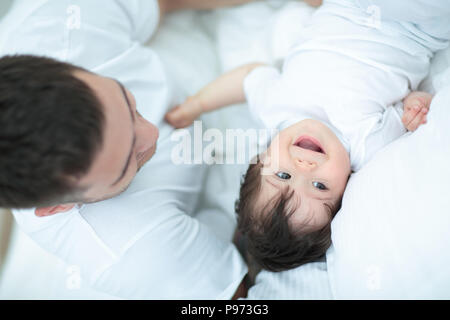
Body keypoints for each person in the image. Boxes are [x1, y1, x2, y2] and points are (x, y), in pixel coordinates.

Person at [165, 0, 447, 272]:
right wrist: (417, 106)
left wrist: (198, 104)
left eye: (283, 176)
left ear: (262, 159)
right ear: (345, 188)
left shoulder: (275, 109)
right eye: (320, 186)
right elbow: (417, 106)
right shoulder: (366, 143)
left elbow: (248, 77)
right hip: (413, 24)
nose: (305, 167)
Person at [0, 0, 254, 299]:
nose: (153, 133)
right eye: (127, 164)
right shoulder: (136, 253)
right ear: (59, 207)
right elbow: (241, 298)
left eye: (128, 102)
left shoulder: (58, 19)